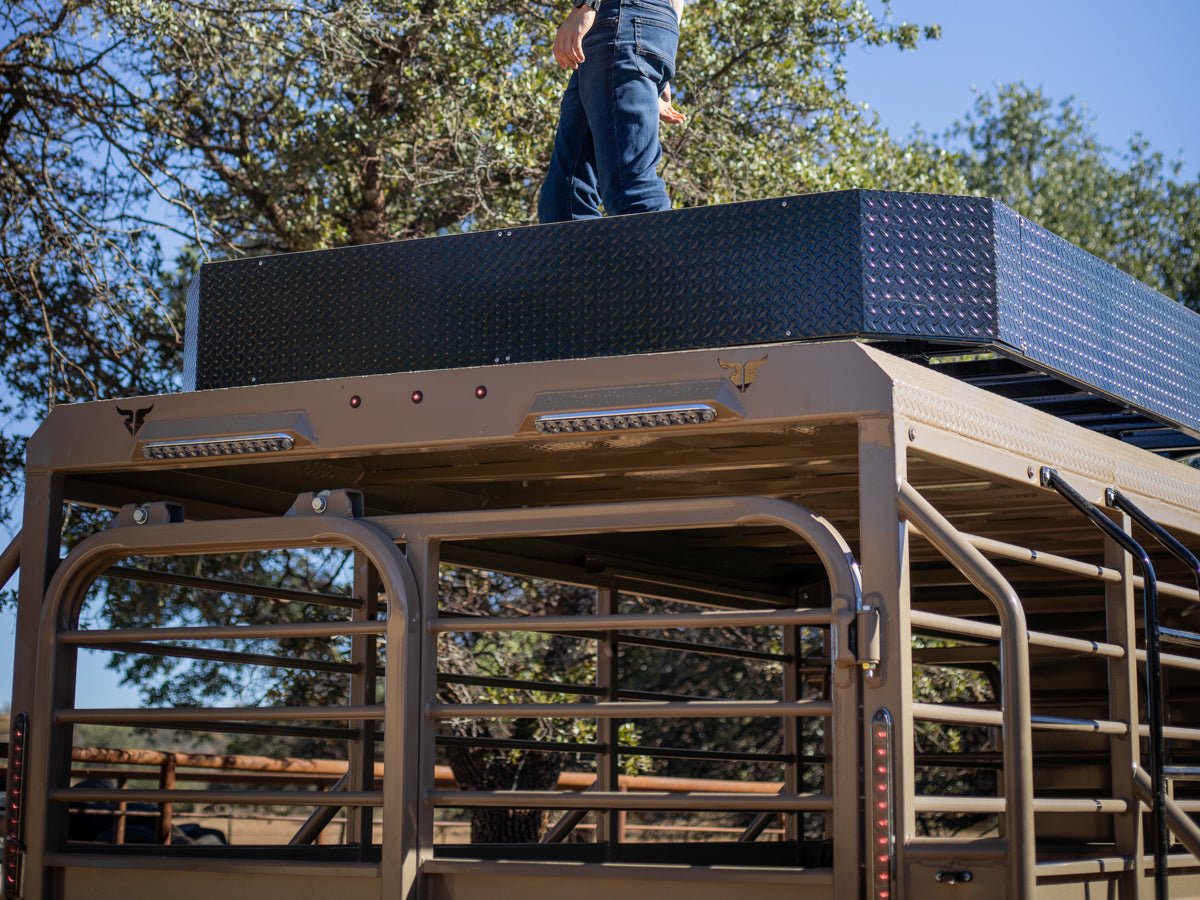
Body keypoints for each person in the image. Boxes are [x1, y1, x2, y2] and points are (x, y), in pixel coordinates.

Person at [537, 0, 686, 223]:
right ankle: (581, 258)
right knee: (563, 202)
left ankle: (665, 258)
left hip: (619, 19)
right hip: (637, 26)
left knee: (631, 191)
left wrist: (586, 6)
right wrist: (653, 48)